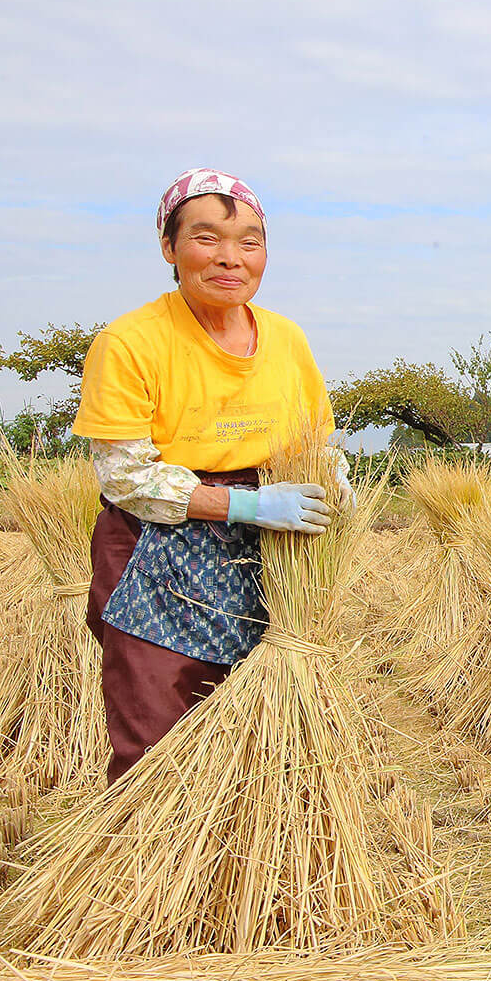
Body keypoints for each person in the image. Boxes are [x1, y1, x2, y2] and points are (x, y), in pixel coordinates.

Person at [72, 168, 343, 783]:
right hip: (158, 548)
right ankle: (154, 869)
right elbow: (125, 478)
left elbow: (318, 441)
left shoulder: (287, 339)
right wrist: (241, 506)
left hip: (272, 554)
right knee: (156, 740)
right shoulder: (130, 341)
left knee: (261, 736)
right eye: (206, 238)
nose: (230, 258)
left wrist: (335, 485)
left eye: (250, 241)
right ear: (169, 248)